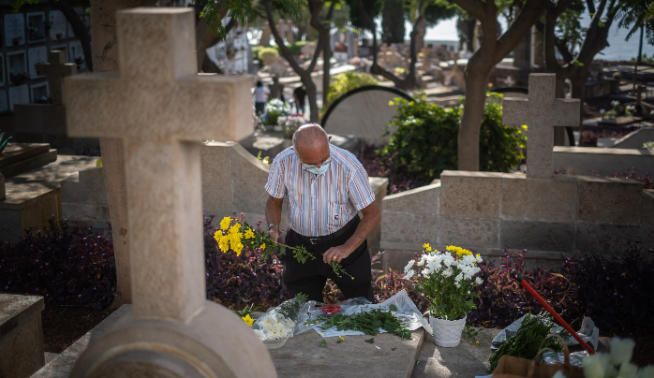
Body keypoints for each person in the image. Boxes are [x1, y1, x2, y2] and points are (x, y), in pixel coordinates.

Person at [264, 124, 380, 302]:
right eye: (311, 163)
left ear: (329, 143)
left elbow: (372, 214)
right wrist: (273, 227)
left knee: (361, 302)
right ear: (296, 154)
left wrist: (347, 247)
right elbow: (274, 201)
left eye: (324, 159)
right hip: (300, 245)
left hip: (345, 240)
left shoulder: (349, 166)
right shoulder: (283, 162)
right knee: (301, 306)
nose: (319, 166)